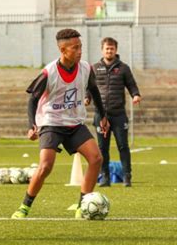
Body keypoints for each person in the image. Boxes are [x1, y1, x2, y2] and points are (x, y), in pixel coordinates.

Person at [11, 28, 109, 219]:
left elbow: (94, 91)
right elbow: (32, 99)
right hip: (51, 123)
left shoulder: (86, 68)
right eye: (75, 48)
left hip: (75, 123)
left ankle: (82, 205)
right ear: (63, 51)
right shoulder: (49, 72)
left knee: (96, 158)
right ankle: (25, 206)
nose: (80, 51)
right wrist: (32, 125)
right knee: (45, 166)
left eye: (81, 47)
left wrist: (103, 115)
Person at [85, 37, 141, 187]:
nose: (109, 51)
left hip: (119, 114)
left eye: (112, 48)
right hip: (100, 114)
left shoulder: (123, 68)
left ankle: (127, 176)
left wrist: (136, 95)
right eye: (107, 48)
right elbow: (89, 87)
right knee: (102, 147)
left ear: (116, 50)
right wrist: (86, 98)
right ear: (102, 50)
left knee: (123, 146)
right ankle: (105, 177)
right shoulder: (95, 68)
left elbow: (131, 85)